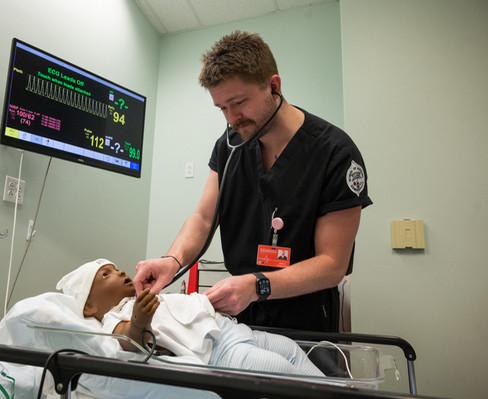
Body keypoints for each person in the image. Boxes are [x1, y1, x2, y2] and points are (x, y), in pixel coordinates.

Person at [134, 31, 372, 332]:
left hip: (304, 317)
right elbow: (205, 217)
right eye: (222, 108)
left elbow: (332, 264)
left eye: (238, 103)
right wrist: (172, 260)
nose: (231, 118)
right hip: (238, 313)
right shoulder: (229, 146)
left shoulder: (335, 153)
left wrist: (257, 286)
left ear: (273, 86)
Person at [56, 259, 324, 377]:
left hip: (234, 331)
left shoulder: (144, 297)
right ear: (89, 306)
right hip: (219, 353)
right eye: (106, 274)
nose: (119, 272)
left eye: (115, 268)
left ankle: (338, 392)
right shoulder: (117, 316)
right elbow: (127, 340)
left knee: (292, 350)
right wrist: (139, 321)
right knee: (282, 373)